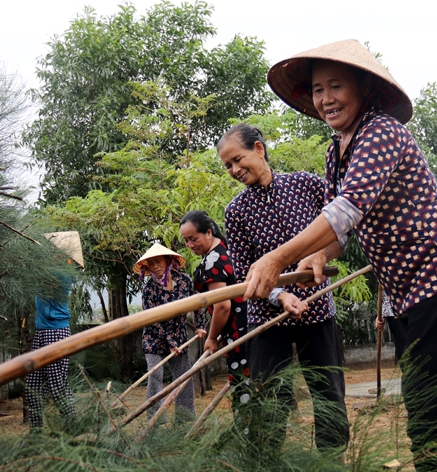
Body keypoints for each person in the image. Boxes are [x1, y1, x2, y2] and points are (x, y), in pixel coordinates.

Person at [245, 39, 437, 472]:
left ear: (364, 88)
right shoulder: (334, 151)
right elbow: (342, 229)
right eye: (318, 89)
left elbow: (348, 207)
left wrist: (278, 256)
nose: (325, 99)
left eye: (336, 86)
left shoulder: (381, 131)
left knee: (432, 407)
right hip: (406, 292)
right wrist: (319, 255)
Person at [217, 123, 350, 452]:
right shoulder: (235, 212)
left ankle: (333, 471)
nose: (234, 170)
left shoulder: (306, 184)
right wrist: (280, 295)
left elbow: (342, 228)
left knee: (329, 393)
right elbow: (244, 274)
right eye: (227, 166)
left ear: (259, 149)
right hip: (267, 319)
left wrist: (322, 252)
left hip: (317, 309)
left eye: (238, 159)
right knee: (270, 398)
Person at [179, 210, 249, 409]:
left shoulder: (212, 261)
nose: (190, 245)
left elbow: (223, 307)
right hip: (247, 326)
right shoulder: (227, 249)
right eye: (186, 241)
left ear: (209, 233)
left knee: (244, 387)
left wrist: (211, 337)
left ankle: (249, 434)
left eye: (194, 239)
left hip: (238, 332)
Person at [134, 243, 206, 422]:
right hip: (154, 339)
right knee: (155, 377)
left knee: (184, 379)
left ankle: (185, 419)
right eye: (151, 264)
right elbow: (152, 320)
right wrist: (170, 343)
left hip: (180, 337)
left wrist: (200, 325)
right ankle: (156, 420)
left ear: (168, 261)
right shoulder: (149, 289)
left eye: (158, 262)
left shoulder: (184, 281)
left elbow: (198, 302)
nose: (156, 266)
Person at [25, 263, 79, 433]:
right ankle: (36, 433)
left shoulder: (59, 271)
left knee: (57, 386)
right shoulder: (47, 269)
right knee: (33, 385)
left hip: (56, 332)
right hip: (42, 331)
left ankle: (73, 428)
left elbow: (35, 271)